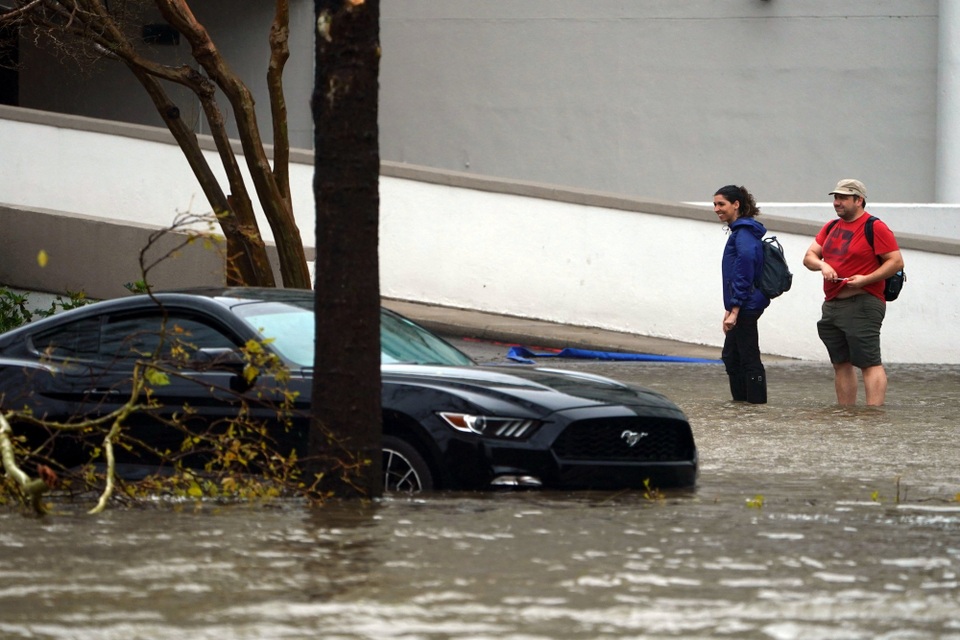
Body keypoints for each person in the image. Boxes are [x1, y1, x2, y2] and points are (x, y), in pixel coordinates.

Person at [802, 179, 904, 406]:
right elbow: (809, 257)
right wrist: (823, 265)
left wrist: (866, 279)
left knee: (869, 362)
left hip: (864, 302)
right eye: (835, 198)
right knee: (840, 362)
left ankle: (873, 415)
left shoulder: (875, 226)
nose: (837, 202)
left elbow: (896, 262)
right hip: (832, 304)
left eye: (843, 198)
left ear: (859, 200)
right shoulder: (831, 226)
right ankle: (846, 413)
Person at [714, 185, 770, 404]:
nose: (717, 209)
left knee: (747, 358)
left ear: (736, 204)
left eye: (721, 204)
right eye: (715, 204)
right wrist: (729, 308)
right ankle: (742, 406)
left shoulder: (744, 233)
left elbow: (744, 270)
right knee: (732, 357)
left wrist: (734, 309)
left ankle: (754, 406)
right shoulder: (740, 232)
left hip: (746, 306)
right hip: (742, 304)